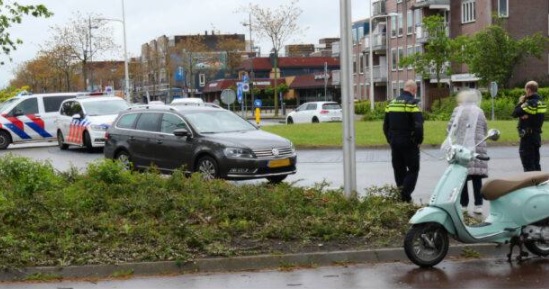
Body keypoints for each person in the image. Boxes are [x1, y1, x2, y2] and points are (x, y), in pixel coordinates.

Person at [447, 90, 488, 214]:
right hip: (478, 146)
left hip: (462, 147)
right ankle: (479, 205)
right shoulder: (479, 111)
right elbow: (485, 127)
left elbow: (450, 127)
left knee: (463, 176)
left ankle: (464, 204)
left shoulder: (457, 110)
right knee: (477, 177)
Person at [383, 80, 424, 202]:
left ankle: (401, 193)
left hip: (394, 142)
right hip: (409, 142)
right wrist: (418, 140)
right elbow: (418, 126)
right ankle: (405, 194)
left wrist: (390, 139)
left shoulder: (391, 104)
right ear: (414, 90)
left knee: (398, 168)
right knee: (413, 169)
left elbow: (385, 125)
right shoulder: (412, 104)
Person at [512, 81, 546, 172]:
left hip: (528, 137)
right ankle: (538, 182)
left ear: (528, 89)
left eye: (525, 90)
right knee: (536, 163)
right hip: (536, 136)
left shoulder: (530, 103)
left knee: (528, 165)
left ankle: (531, 185)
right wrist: (526, 116)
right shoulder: (541, 102)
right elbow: (535, 116)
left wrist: (520, 102)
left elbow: (515, 113)